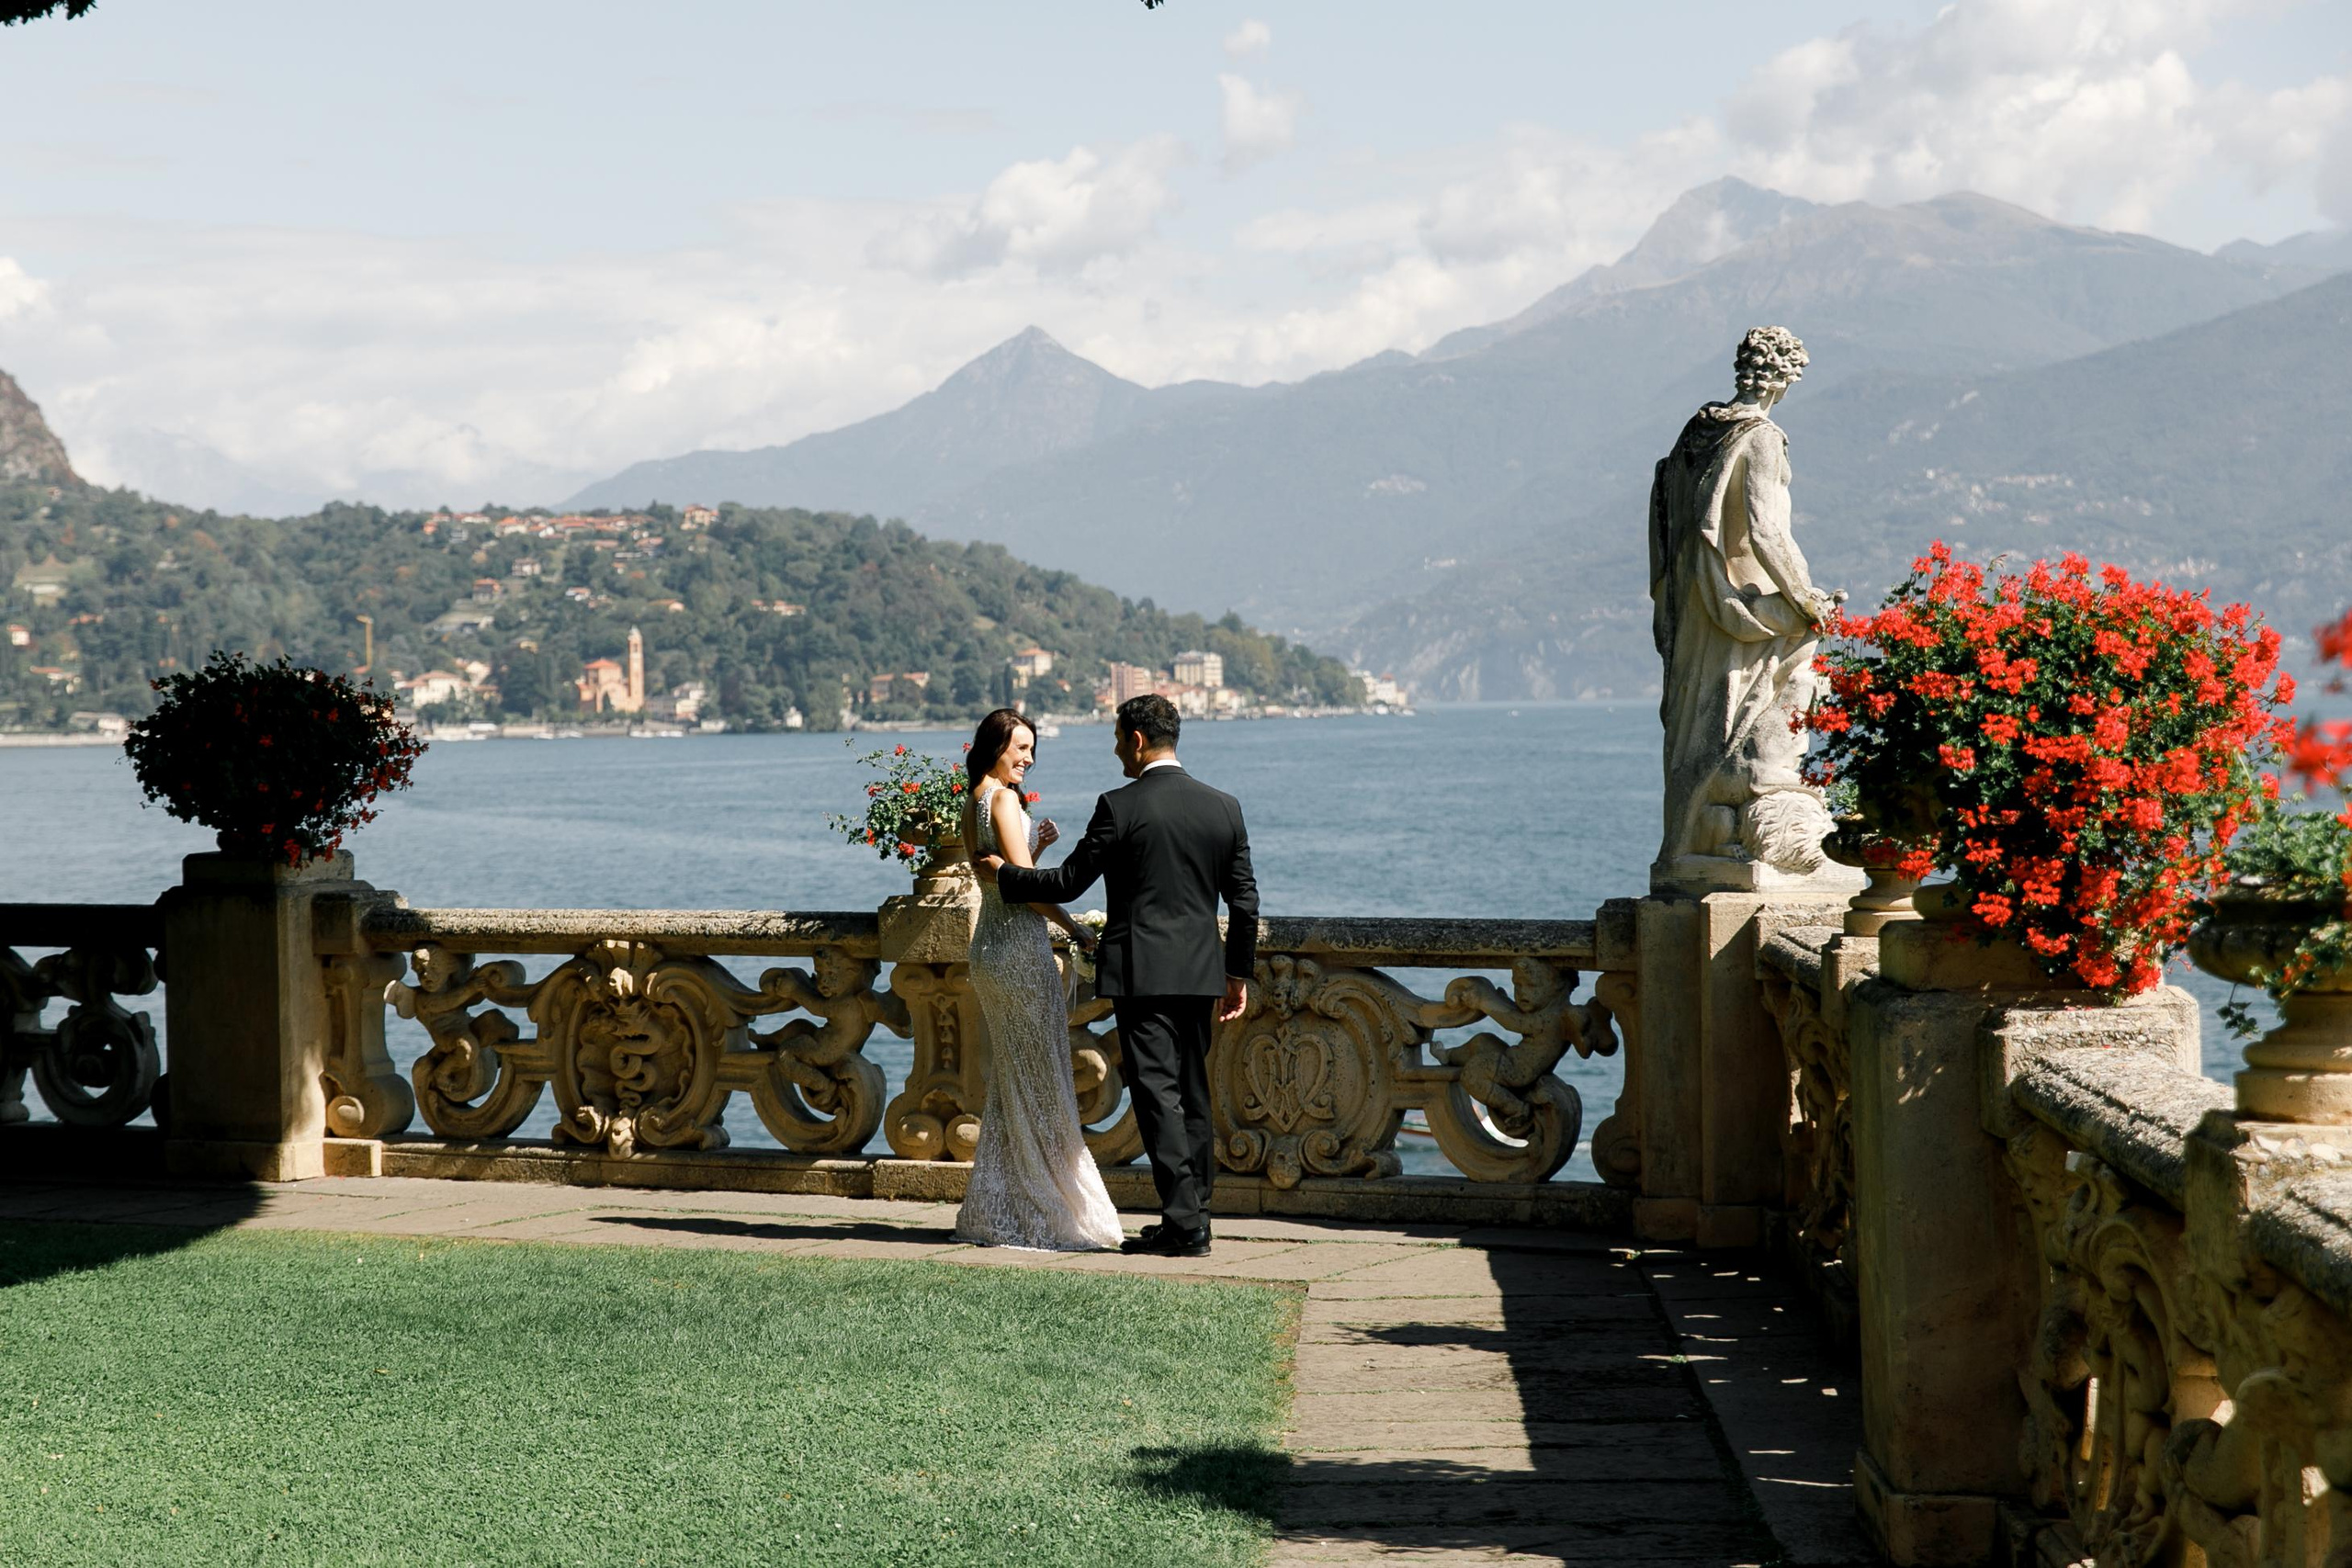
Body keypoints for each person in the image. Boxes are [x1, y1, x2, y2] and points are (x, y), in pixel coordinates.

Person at [978, 693, 1258, 1258]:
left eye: (1115, 738)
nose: (1115, 749)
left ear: (1135, 739)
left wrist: (1005, 874)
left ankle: (1184, 1228)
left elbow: (1067, 884)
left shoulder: (1119, 805)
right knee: (1194, 1092)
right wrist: (1237, 974)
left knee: (1158, 1095)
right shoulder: (1223, 806)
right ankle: (1193, 1216)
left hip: (1141, 974)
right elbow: (1245, 901)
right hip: (1203, 971)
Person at [951, 707, 1125, 1251]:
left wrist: (1038, 850)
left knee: (1015, 1080)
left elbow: (1004, 874)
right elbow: (1024, 889)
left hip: (989, 950)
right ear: (994, 746)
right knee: (1043, 1079)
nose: (1027, 759)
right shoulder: (1003, 799)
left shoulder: (973, 800)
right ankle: (1050, 1209)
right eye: (1019, 748)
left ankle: (1007, 1204)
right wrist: (1075, 927)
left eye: (1032, 750)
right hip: (1021, 953)